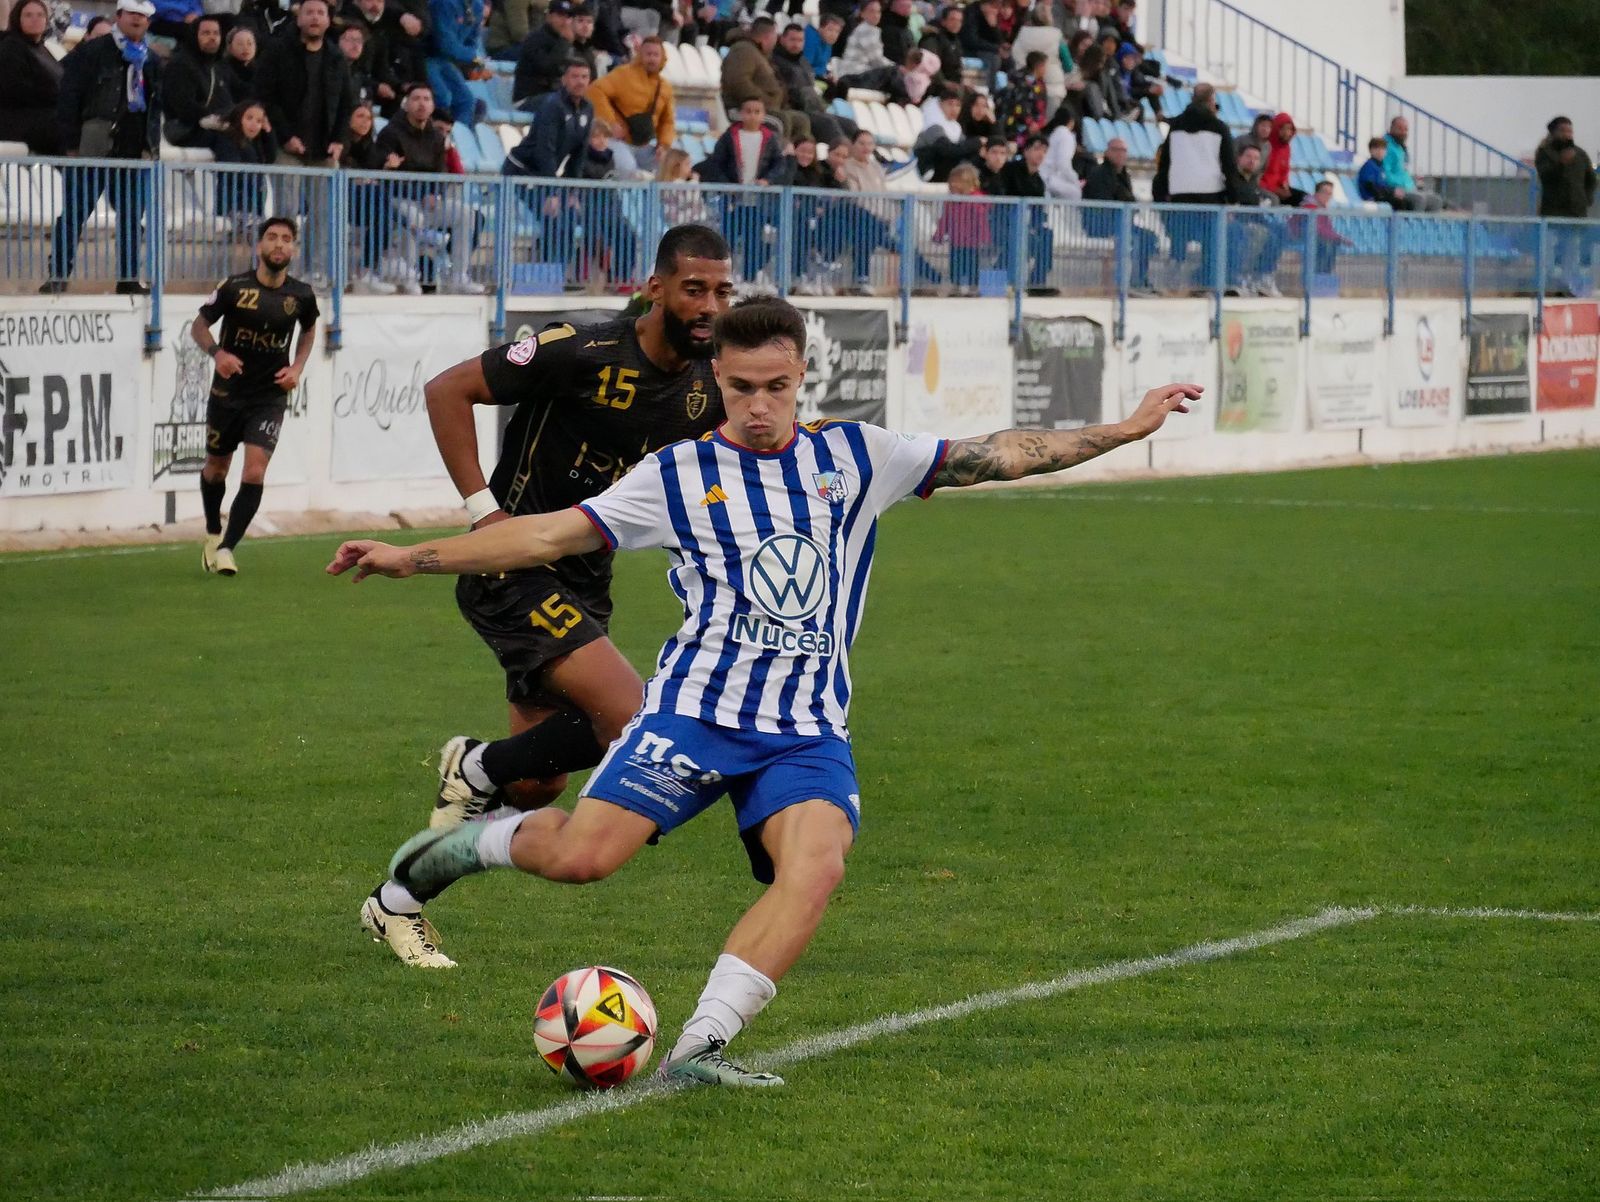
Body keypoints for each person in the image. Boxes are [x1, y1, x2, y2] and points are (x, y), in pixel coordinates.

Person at [331, 295, 1202, 1083]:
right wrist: (413, 556)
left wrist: (1124, 430)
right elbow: (545, 536)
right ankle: (446, 852)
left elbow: (999, 454)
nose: (757, 405)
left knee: (816, 866)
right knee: (582, 859)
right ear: (719, 376)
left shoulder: (859, 456)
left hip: (805, 731)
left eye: (776, 386)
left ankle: (701, 1048)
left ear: (800, 376)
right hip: (693, 716)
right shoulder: (673, 475)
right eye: (741, 386)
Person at [353, 226, 736, 968]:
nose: (710, 305)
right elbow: (447, 390)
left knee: (537, 785)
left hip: (586, 577)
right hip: (511, 566)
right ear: (657, 288)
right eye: (695, 288)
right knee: (630, 718)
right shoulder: (582, 352)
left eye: (723, 291)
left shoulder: (705, 389)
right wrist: (481, 508)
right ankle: (475, 768)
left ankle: (397, 900)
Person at [192, 217, 319, 577]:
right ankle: (213, 535)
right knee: (217, 469)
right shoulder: (234, 287)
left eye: (286, 239)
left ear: (293, 248)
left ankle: (228, 548)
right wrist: (218, 354)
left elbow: (309, 330)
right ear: (259, 246)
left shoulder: (302, 295)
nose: (279, 244)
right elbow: (199, 325)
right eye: (272, 238)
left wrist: (297, 367)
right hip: (227, 394)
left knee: (255, 470)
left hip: (269, 397)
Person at [41, 0, 163, 296]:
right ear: (118, 16)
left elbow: (155, 106)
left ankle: (128, 277)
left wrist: (152, 146)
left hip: (133, 146)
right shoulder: (92, 51)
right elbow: (69, 97)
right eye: (132, 14)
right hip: (94, 141)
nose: (137, 20)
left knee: (132, 216)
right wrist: (70, 143)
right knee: (75, 212)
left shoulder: (152, 60)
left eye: (143, 16)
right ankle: (58, 273)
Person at [254, 0, 350, 278]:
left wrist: (339, 140)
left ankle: (315, 272)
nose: (315, 18)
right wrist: (285, 137)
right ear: (299, 18)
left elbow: (346, 104)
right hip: (287, 149)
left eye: (321, 13)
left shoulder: (336, 57)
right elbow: (266, 97)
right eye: (309, 12)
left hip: (323, 151)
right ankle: (280, 271)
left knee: (322, 216)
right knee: (285, 214)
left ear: (328, 21)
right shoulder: (278, 51)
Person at [377, 82, 486, 294]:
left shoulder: (436, 138)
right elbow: (388, 175)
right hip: (398, 199)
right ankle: (409, 274)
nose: (421, 104)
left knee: (465, 214)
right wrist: (423, 193)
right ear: (406, 104)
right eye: (416, 99)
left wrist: (434, 193)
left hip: (428, 202)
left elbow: (440, 172)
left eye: (426, 99)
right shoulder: (390, 133)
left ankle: (458, 276)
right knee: (412, 217)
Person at [1153, 83, 1240, 289]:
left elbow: (1165, 163)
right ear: (1211, 100)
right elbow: (1229, 166)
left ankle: (1174, 280)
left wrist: (1161, 193)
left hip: (1179, 192)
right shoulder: (1219, 128)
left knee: (1179, 237)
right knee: (1211, 242)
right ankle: (1207, 284)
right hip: (1210, 193)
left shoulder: (1176, 127)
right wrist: (1233, 198)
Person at [706, 95, 783, 281]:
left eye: (757, 112)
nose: (752, 116)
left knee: (754, 240)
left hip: (757, 200)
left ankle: (749, 277)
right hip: (732, 199)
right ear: (741, 114)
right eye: (748, 111)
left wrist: (767, 180)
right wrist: (728, 184)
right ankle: (724, 277)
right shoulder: (729, 136)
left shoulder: (769, 138)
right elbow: (716, 163)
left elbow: (779, 164)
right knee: (728, 239)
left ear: (763, 115)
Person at [586, 34, 675, 169]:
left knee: (669, 166)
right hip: (617, 140)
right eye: (648, 54)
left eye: (656, 55)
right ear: (640, 55)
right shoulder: (623, 74)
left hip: (644, 145)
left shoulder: (665, 87)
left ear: (662, 58)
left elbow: (667, 121)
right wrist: (611, 123)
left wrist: (664, 145)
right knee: (628, 168)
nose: (652, 59)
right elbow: (594, 91)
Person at [1081, 135, 1154, 291]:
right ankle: (1128, 283)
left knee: (1148, 237)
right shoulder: (1099, 174)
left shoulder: (1123, 175)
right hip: (1102, 225)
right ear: (1107, 152)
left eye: (1123, 151)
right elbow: (1102, 204)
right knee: (1137, 239)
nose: (1120, 154)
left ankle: (1139, 279)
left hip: (1122, 224)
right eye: (1116, 150)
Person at [504, 56, 593, 177]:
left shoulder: (588, 108)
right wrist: (550, 188)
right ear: (564, 79)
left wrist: (573, 189)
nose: (580, 82)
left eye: (584, 77)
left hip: (544, 174)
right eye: (575, 77)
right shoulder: (552, 105)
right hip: (521, 169)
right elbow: (545, 149)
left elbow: (579, 153)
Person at [1535, 116, 1595, 293]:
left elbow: (1591, 179)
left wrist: (1587, 198)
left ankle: (1569, 287)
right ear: (1553, 133)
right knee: (1549, 253)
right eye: (1563, 131)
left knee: (1572, 252)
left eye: (1570, 131)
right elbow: (1545, 175)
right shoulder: (1545, 153)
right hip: (1553, 213)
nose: (1567, 135)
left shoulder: (1581, 154)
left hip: (1576, 213)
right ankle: (1548, 287)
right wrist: (1561, 163)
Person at [773, 20, 848, 148]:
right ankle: (841, 158)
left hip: (814, 108)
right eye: (792, 40)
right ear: (782, 39)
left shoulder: (803, 62)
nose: (796, 44)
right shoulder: (776, 61)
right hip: (796, 110)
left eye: (800, 40)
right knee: (828, 123)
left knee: (849, 124)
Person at [0, 0, 63, 154]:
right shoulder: (11, 47)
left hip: (48, 117)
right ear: (17, 19)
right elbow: (15, 89)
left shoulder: (44, 50)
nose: (35, 19)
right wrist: (56, 94)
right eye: (28, 15)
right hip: (22, 122)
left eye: (40, 15)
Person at [995, 133, 1055, 293]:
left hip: (1027, 225)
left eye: (1044, 150)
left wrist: (1036, 225)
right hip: (1003, 223)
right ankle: (1003, 278)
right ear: (1026, 151)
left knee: (1046, 236)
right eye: (1036, 149)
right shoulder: (1010, 170)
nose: (1040, 153)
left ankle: (1037, 283)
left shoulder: (1038, 181)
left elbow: (1038, 209)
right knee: (1021, 239)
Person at [1226, 142, 1286, 297]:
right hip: (1233, 223)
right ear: (1239, 158)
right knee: (1237, 232)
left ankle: (1262, 277)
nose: (1252, 161)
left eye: (1256, 158)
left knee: (1278, 230)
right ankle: (1234, 280)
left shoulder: (1253, 183)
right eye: (1248, 157)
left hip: (1252, 221)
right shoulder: (1229, 178)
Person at [163, 14, 233, 147]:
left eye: (216, 33)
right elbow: (182, 104)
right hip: (185, 127)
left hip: (214, 124)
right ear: (195, 36)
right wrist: (211, 117)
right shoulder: (181, 64)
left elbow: (229, 99)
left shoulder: (219, 65)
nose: (212, 38)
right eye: (206, 33)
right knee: (227, 143)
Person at [425, 0, 485, 128]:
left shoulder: (477, 5)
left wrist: (472, 56)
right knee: (442, 96)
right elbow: (445, 44)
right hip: (427, 55)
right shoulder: (443, 3)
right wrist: (473, 56)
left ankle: (457, 141)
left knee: (466, 100)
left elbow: (473, 41)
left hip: (447, 61)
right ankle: (432, 138)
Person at [933, 161, 990, 293]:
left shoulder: (976, 199)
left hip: (972, 242)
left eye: (957, 182)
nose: (953, 185)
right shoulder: (951, 201)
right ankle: (955, 286)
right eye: (951, 182)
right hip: (956, 241)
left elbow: (982, 220)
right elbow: (945, 220)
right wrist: (939, 235)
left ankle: (973, 287)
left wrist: (984, 238)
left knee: (972, 264)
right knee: (955, 264)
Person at [514, 0, 575, 108]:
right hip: (528, 99)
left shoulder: (564, 41)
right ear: (549, 16)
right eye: (560, 16)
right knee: (559, 103)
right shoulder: (536, 38)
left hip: (552, 96)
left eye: (568, 17)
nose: (565, 22)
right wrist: (564, 42)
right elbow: (548, 68)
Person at [1383, 116, 1444, 211]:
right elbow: (1385, 174)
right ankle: (1411, 225)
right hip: (1394, 190)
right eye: (1399, 129)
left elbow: (1403, 172)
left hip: (1408, 188)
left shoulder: (1400, 148)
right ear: (1391, 129)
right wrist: (1401, 186)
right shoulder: (1385, 147)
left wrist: (1411, 186)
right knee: (1419, 199)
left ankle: (1426, 226)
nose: (1403, 132)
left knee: (1436, 200)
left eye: (1405, 129)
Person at [1299, 178, 1351, 276]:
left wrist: (1338, 238)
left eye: (1330, 194)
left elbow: (1327, 229)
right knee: (1325, 243)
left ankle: (1324, 274)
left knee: (1331, 243)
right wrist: (1339, 238)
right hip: (1303, 236)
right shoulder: (1310, 206)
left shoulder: (1323, 208)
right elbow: (1318, 229)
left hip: (1315, 237)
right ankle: (1317, 274)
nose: (1328, 196)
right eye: (1325, 192)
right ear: (1317, 193)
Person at [1258, 111, 1305, 207]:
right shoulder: (1264, 146)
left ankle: (1295, 222)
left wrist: (1285, 185)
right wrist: (1274, 189)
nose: (1287, 133)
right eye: (1283, 129)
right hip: (1263, 189)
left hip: (1278, 188)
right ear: (1276, 129)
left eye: (1290, 129)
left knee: (1305, 199)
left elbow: (1284, 171)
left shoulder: (1286, 148)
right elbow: (1257, 177)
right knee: (1273, 200)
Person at [837, 0, 889, 77]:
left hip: (856, 72)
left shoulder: (866, 29)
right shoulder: (866, 30)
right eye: (871, 11)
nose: (876, 15)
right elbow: (876, 60)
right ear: (862, 14)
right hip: (855, 74)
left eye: (878, 12)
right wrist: (896, 67)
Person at [1039, 104, 1081, 199]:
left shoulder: (1054, 133)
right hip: (1049, 178)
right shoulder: (1066, 135)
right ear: (1071, 121)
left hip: (1045, 176)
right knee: (1075, 192)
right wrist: (1075, 180)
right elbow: (1063, 164)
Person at [919, 4, 962, 84]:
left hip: (952, 85)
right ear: (943, 21)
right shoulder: (932, 38)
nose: (956, 23)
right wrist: (945, 84)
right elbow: (931, 66)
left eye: (959, 21)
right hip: (934, 86)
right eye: (953, 19)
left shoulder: (955, 41)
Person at [219, 23, 256, 101]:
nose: (246, 48)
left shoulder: (260, 69)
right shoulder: (224, 68)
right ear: (230, 47)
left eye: (250, 43)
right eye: (240, 44)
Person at [806, 10, 843, 79]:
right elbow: (806, 67)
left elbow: (823, 65)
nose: (833, 35)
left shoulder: (828, 41)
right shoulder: (811, 40)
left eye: (837, 31)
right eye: (830, 30)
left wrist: (828, 74)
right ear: (820, 28)